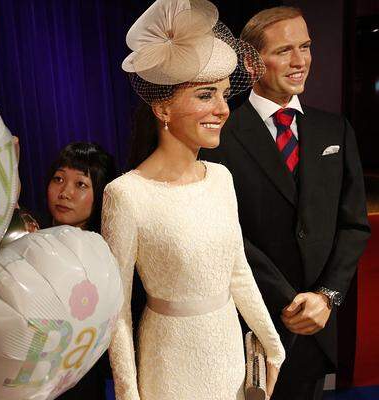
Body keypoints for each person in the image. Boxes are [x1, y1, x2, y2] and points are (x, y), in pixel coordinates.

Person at [101, 0, 286, 399]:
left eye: (222, 95)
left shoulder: (220, 178)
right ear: (163, 107)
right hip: (168, 363)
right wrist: (128, 394)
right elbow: (116, 313)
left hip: (229, 353)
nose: (222, 109)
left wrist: (273, 345)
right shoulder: (126, 194)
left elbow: (238, 272)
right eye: (206, 96)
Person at [199, 7, 370, 400]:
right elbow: (226, 234)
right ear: (250, 62)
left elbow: (354, 225)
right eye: (284, 51)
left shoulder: (336, 129)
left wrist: (326, 297)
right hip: (250, 325)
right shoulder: (218, 137)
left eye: (306, 47)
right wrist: (287, 300)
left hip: (317, 324)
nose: (300, 61)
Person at [43, 141, 117, 399]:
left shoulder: (106, 260)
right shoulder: (31, 244)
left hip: (81, 382)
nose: (65, 192)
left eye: (81, 184)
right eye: (58, 179)